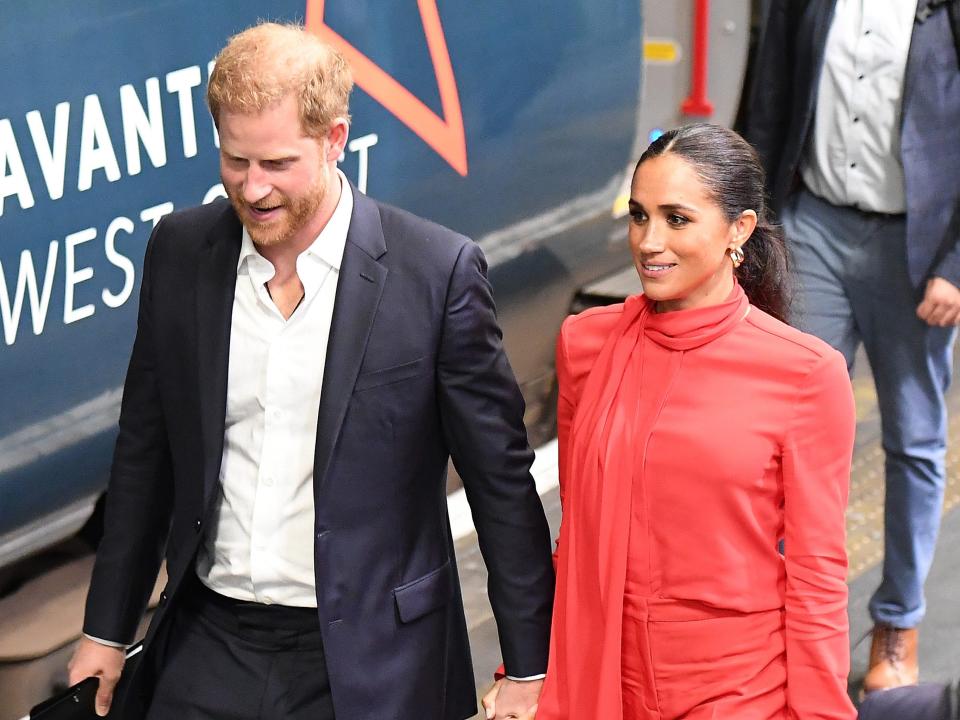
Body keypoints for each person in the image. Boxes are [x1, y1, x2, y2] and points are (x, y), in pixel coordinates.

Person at [66, 22, 554, 720]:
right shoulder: (179, 251)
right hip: (207, 644)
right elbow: (145, 455)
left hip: (372, 663)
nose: (252, 188)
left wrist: (529, 668)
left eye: (276, 164)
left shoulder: (435, 273)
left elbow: (500, 484)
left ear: (335, 140)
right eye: (235, 161)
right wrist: (106, 631)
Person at [526, 124, 856, 719]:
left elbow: (816, 577)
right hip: (602, 679)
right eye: (638, 215)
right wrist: (525, 668)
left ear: (740, 230)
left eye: (677, 219)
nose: (649, 242)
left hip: (737, 690)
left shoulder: (806, 374)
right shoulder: (586, 345)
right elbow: (575, 531)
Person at [743, 0, 960, 692]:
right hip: (814, 231)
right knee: (788, 439)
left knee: (914, 440)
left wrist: (957, 267)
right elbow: (767, 104)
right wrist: (753, 235)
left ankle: (897, 622)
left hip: (915, 250)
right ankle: (790, 620)